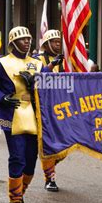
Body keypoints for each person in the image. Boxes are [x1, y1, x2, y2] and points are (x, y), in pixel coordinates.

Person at [0, 26, 61, 203]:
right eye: (22, 39)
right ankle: (15, 200)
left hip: (34, 116)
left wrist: (47, 74)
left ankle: (21, 193)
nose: (26, 42)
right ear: (13, 42)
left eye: (28, 39)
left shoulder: (37, 63)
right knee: (17, 156)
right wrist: (2, 98)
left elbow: (47, 85)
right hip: (12, 114)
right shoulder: (1, 63)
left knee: (30, 160)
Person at [34, 29, 64, 191]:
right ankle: (49, 178)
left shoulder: (64, 60)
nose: (58, 44)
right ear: (46, 44)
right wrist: (52, 65)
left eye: (59, 42)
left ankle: (49, 164)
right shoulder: (37, 60)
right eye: (55, 42)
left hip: (62, 107)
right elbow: (36, 79)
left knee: (67, 144)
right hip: (43, 108)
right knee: (48, 145)